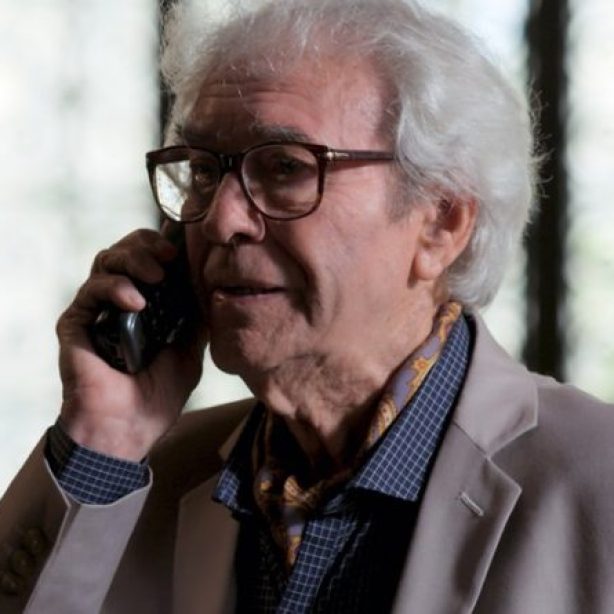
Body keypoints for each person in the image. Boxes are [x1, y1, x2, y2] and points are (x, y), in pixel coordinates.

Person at [2, 0, 614, 612]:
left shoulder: (597, 481)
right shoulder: (128, 477)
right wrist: (104, 434)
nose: (220, 221)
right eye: (206, 173)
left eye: (285, 168)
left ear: (441, 223)